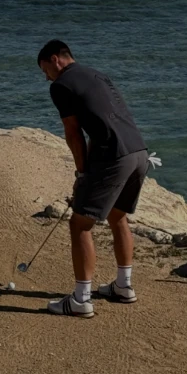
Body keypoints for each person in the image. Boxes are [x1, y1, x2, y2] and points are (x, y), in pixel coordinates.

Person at [37, 39, 159, 318]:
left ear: (55, 59)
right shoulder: (98, 75)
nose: (46, 77)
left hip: (114, 157)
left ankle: (80, 300)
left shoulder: (61, 85)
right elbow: (103, 121)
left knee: (80, 224)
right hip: (139, 152)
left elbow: (73, 132)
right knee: (118, 216)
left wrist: (82, 173)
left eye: (45, 70)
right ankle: (123, 286)